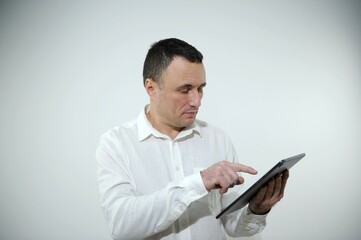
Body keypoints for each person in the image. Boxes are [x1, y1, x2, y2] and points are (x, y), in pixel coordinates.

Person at [96, 38, 289, 240]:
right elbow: (121, 226)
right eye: (185, 89)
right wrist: (199, 182)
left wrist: (256, 210)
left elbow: (234, 227)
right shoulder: (116, 144)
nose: (196, 101)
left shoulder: (218, 139)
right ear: (151, 88)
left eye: (200, 88)